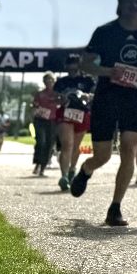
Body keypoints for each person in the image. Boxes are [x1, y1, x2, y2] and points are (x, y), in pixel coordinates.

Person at [69, 0, 137, 226]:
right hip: (107, 95)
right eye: (131, 2)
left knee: (129, 150)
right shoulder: (104, 32)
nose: (135, 6)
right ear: (120, 5)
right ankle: (86, 170)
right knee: (102, 156)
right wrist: (108, 71)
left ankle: (115, 207)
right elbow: (86, 64)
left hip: (133, 98)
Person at [54, 56, 95, 190]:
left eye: (75, 65)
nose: (72, 68)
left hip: (82, 114)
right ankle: (64, 176)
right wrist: (61, 98)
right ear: (67, 67)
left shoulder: (88, 81)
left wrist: (88, 96)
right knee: (67, 145)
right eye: (70, 65)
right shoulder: (61, 82)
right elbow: (55, 99)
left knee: (76, 146)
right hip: (65, 113)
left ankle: (72, 169)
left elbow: (96, 95)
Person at [30, 73, 60, 176]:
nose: (49, 82)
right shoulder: (39, 94)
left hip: (52, 121)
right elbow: (34, 106)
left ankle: (42, 168)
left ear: (54, 81)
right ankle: (37, 163)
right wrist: (35, 108)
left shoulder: (57, 94)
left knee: (49, 144)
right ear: (44, 82)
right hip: (40, 120)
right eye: (47, 81)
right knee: (41, 142)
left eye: (51, 80)